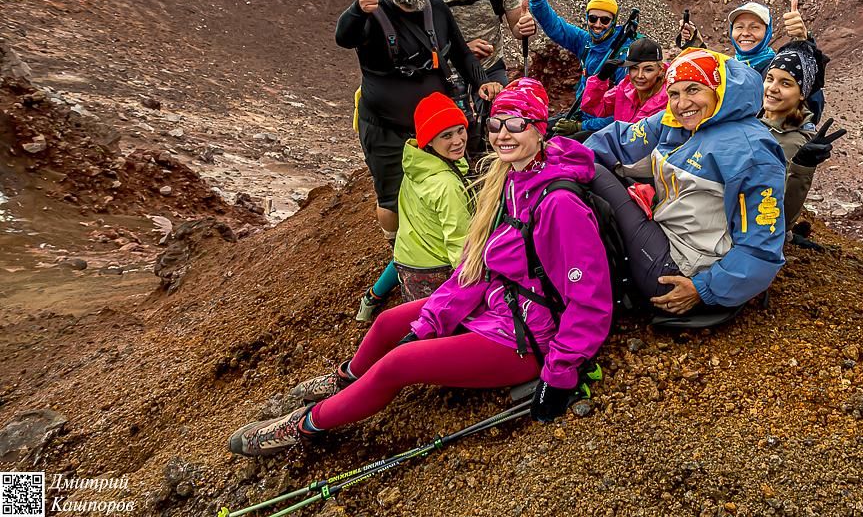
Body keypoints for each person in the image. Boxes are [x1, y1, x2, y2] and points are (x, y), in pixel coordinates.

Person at [227, 79, 613, 457]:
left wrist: (558, 378)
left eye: (516, 123)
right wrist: (430, 323)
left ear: (539, 128)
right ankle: (348, 380)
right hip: (501, 306)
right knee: (388, 323)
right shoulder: (512, 179)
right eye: (495, 124)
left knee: (398, 363)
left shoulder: (559, 204)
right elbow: (475, 267)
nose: (502, 134)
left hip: (526, 339)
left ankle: (306, 425)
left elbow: (590, 303)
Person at [584, 49, 786, 314]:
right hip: (669, 241)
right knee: (582, 162)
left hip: (683, 274)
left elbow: (762, 247)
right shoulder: (677, 120)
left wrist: (703, 288)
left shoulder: (749, 151)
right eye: (674, 93)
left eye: (693, 90)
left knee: (592, 173)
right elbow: (621, 140)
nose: (682, 103)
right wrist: (554, 153)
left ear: (718, 90)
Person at [336, 0, 502, 248]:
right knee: (392, 197)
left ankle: (445, 243)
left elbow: (463, 55)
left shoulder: (437, 9)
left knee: (451, 183)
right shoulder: (371, 12)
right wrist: (358, 9)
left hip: (436, 127)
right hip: (386, 128)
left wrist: (481, 81)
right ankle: (399, 252)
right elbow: (344, 38)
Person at [356, 92, 473, 322]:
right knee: (442, 327)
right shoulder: (446, 185)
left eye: (461, 129)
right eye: (447, 135)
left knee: (417, 319)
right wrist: (471, 285)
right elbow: (459, 242)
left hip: (408, 260)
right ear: (429, 140)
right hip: (435, 269)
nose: (458, 140)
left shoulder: (417, 162)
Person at [428, 0, 537, 152]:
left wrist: (526, 26)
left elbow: (517, 29)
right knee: (451, 134)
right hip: (444, 69)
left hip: (489, 67)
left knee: (504, 121)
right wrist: (462, 50)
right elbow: (415, 35)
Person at [521, 0, 631, 135]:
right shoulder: (585, 41)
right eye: (593, 18)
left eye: (605, 20)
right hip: (579, 113)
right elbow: (556, 27)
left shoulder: (622, 55)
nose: (598, 24)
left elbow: (624, 112)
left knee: (555, 149)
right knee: (534, 131)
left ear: (614, 22)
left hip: (601, 127)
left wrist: (581, 128)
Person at [681, 0, 827, 119]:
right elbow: (711, 78)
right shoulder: (732, 65)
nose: (745, 33)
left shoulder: (779, 68)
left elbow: (812, 106)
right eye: (739, 27)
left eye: (754, 27)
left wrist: (805, 43)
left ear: (767, 32)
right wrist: (697, 44)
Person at [759, 41, 844, 236]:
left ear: (802, 94)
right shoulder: (756, 120)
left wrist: (802, 167)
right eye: (770, 78)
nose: (772, 88)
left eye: (785, 83)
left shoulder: (794, 143)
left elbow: (780, 218)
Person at [580, 37, 668, 124]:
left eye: (648, 70)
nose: (640, 75)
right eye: (634, 68)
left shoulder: (669, 99)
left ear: (660, 71)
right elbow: (591, 108)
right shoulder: (625, 87)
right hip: (620, 137)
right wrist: (600, 79)